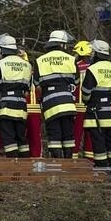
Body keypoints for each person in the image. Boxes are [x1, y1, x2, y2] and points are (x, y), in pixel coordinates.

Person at [34, 30, 79, 158]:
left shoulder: (40, 60)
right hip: (68, 102)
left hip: (50, 103)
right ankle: (69, 164)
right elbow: (76, 81)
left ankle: (57, 163)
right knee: (68, 134)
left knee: (54, 135)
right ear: (62, 44)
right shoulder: (71, 59)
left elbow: (36, 83)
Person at [81, 40, 111, 168]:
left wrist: (88, 100)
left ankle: (102, 168)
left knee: (98, 142)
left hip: (96, 114)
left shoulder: (93, 69)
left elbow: (86, 91)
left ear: (96, 54)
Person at [0, 35, 32, 157]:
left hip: (5, 108)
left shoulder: (0, 64)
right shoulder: (27, 65)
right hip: (21, 107)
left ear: (3, 50)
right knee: (22, 139)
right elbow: (28, 87)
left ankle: (14, 167)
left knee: (9, 140)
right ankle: (24, 165)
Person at [72, 41, 94, 159]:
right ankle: (90, 161)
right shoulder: (95, 67)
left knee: (75, 134)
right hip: (92, 106)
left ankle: (73, 160)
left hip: (78, 105)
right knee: (90, 135)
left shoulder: (76, 66)